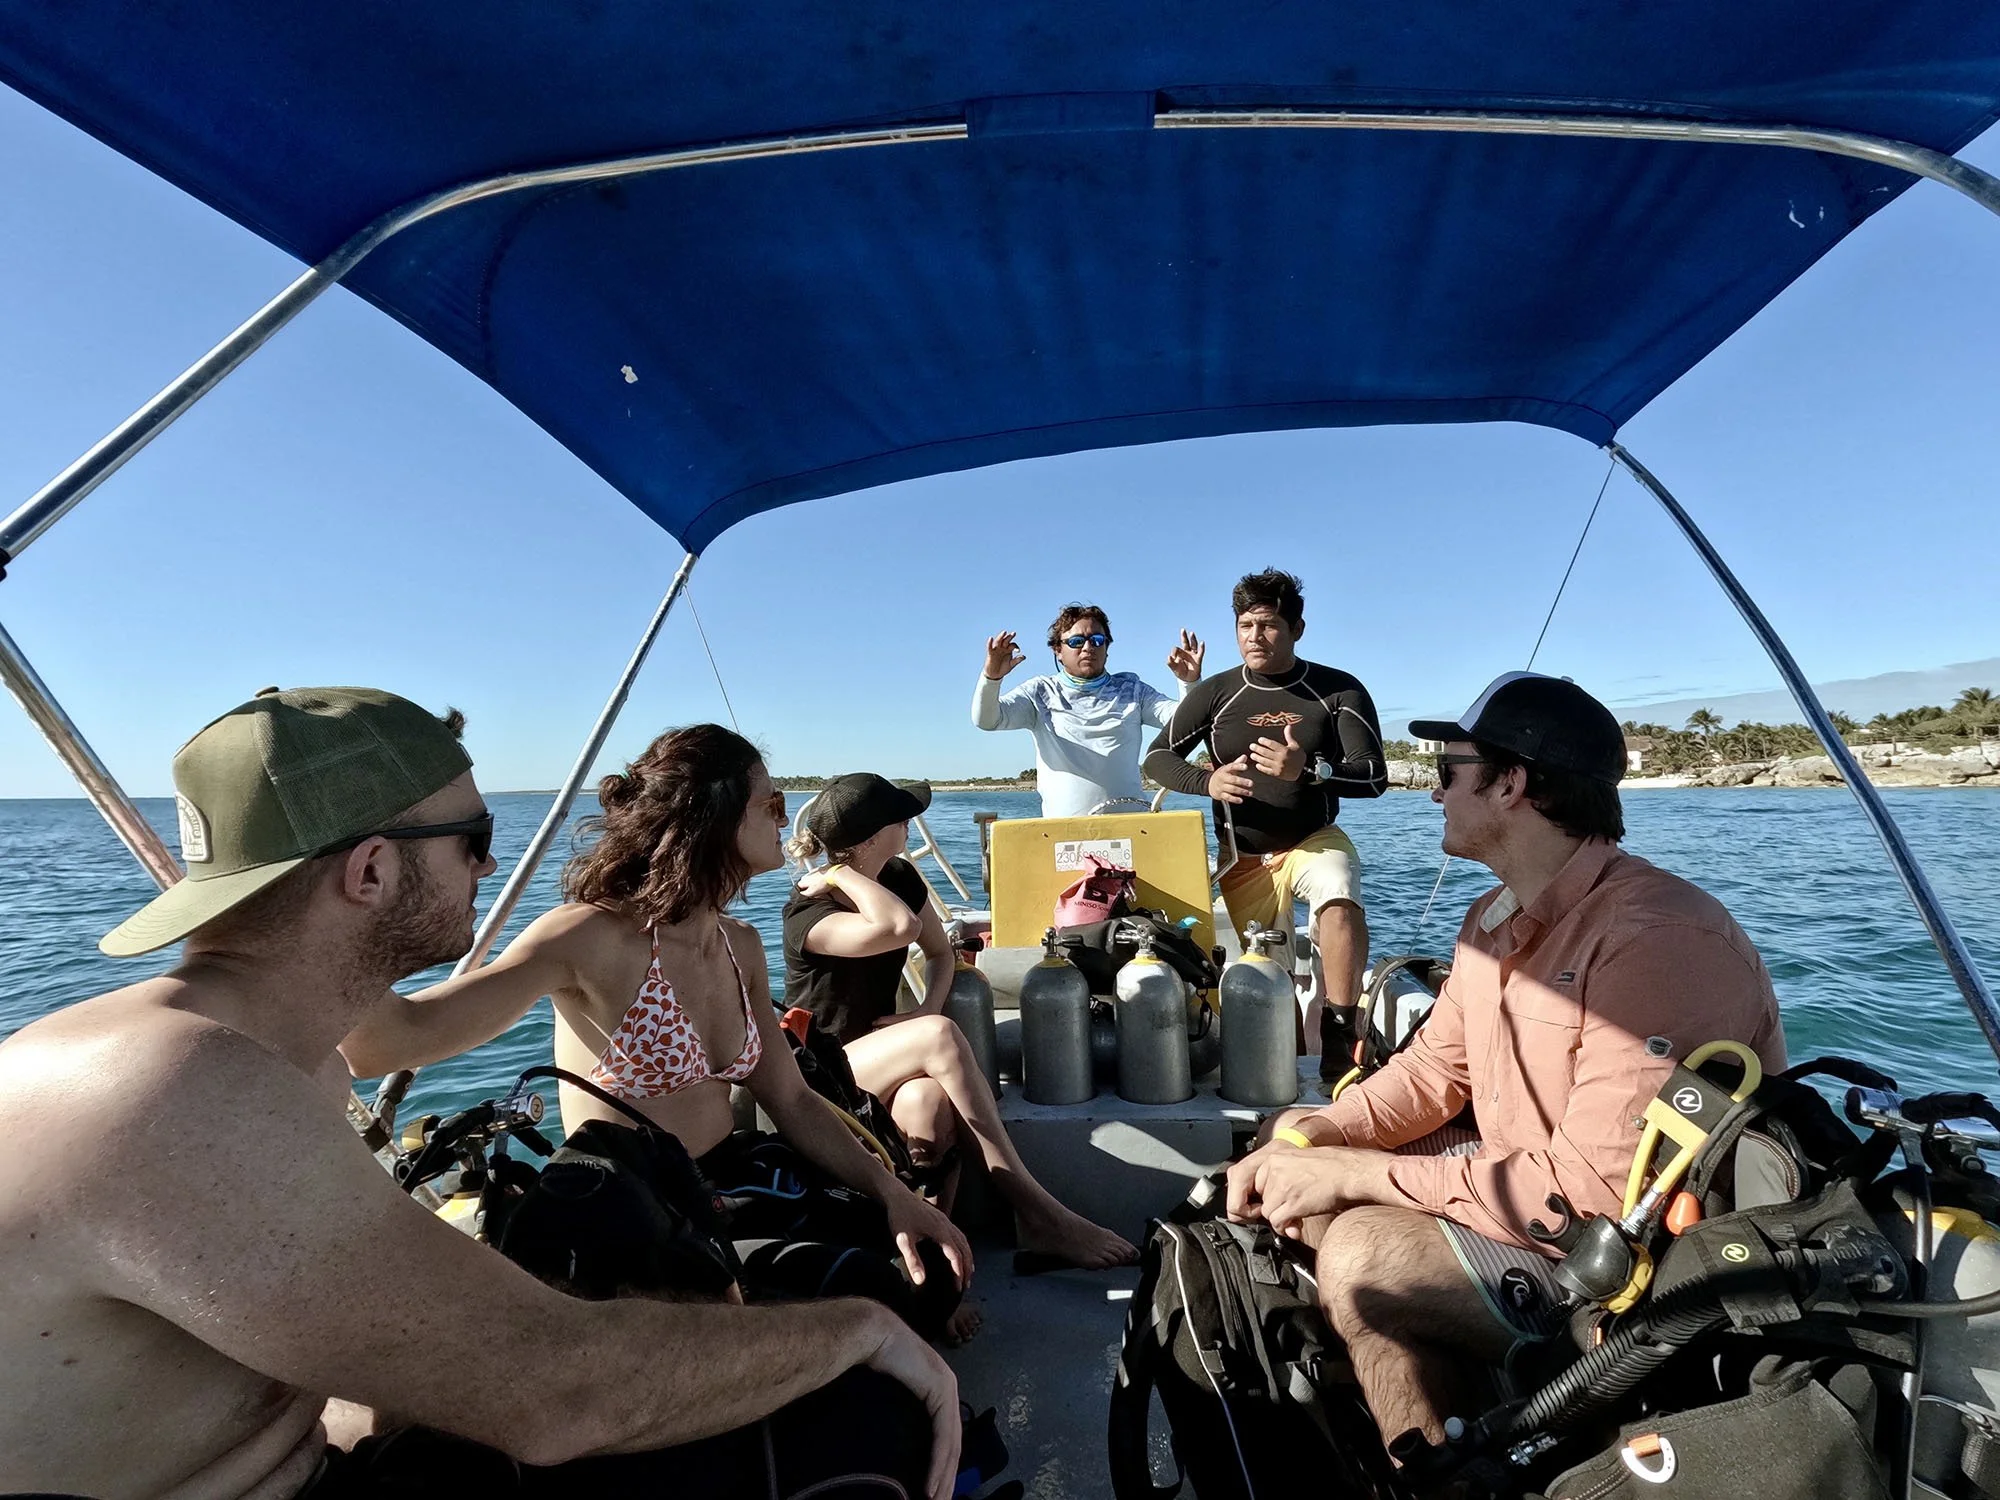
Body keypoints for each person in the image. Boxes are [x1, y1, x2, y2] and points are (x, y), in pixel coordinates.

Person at [0, 687, 957, 1500]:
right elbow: (555, 1393)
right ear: (372, 868)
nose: (494, 868)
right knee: (862, 1421)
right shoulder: (166, 1086)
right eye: (475, 836)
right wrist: (855, 1335)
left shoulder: (279, 1062)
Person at [1224, 671, 1788, 1452]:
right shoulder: (1491, 918)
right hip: (1526, 1198)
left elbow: (1587, 1198)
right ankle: (1435, 1453)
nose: (1433, 796)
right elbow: (1432, 1076)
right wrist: (1314, 1137)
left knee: (1364, 1252)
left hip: (1631, 1276)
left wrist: (1353, 1176)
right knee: (1299, 1146)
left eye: (1447, 774)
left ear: (1511, 784)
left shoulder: (1658, 940)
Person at [338, 723, 975, 1336]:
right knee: (876, 1302)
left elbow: (794, 1101)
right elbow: (385, 1043)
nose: (787, 820)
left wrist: (895, 1194)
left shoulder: (739, 945)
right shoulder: (589, 936)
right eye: (773, 803)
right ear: (717, 816)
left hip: (735, 1178)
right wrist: (349, 898)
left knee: (933, 1270)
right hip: (640, 1206)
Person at [783, 773, 1137, 1270]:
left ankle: (936, 1258)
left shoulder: (900, 878)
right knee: (941, 1035)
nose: (910, 823)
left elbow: (938, 953)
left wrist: (926, 1008)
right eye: (899, 817)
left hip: (887, 1058)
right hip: (824, 1074)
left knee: (928, 1105)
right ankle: (1037, 1211)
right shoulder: (808, 915)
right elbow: (896, 928)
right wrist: (839, 874)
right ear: (869, 838)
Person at [1143, 568, 1387, 1036]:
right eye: (1245, 626)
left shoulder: (1337, 690)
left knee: (1339, 887)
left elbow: (1374, 776)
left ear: (1296, 629)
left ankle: (1341, 1029)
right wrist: (1206, 782)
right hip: (1243, 856)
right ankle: (1293, 1051)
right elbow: (1157, 757)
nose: (1255, 636)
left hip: (1312, 837)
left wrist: (1311, 771)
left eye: (1269, 624)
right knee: (1272, 982)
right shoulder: (1217, 692)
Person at [973, 603, 1205, 818]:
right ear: (1057, 650)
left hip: (1134, 832)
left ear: (1107, 647)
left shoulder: (1132, 690)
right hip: (1064, 840)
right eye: (1076, 641)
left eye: (1096, 640)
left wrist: (1189, 683)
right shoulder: (1040, 692)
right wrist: (991, 678)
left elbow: (1185, 723)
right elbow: (987, 720)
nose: (1087, 647)